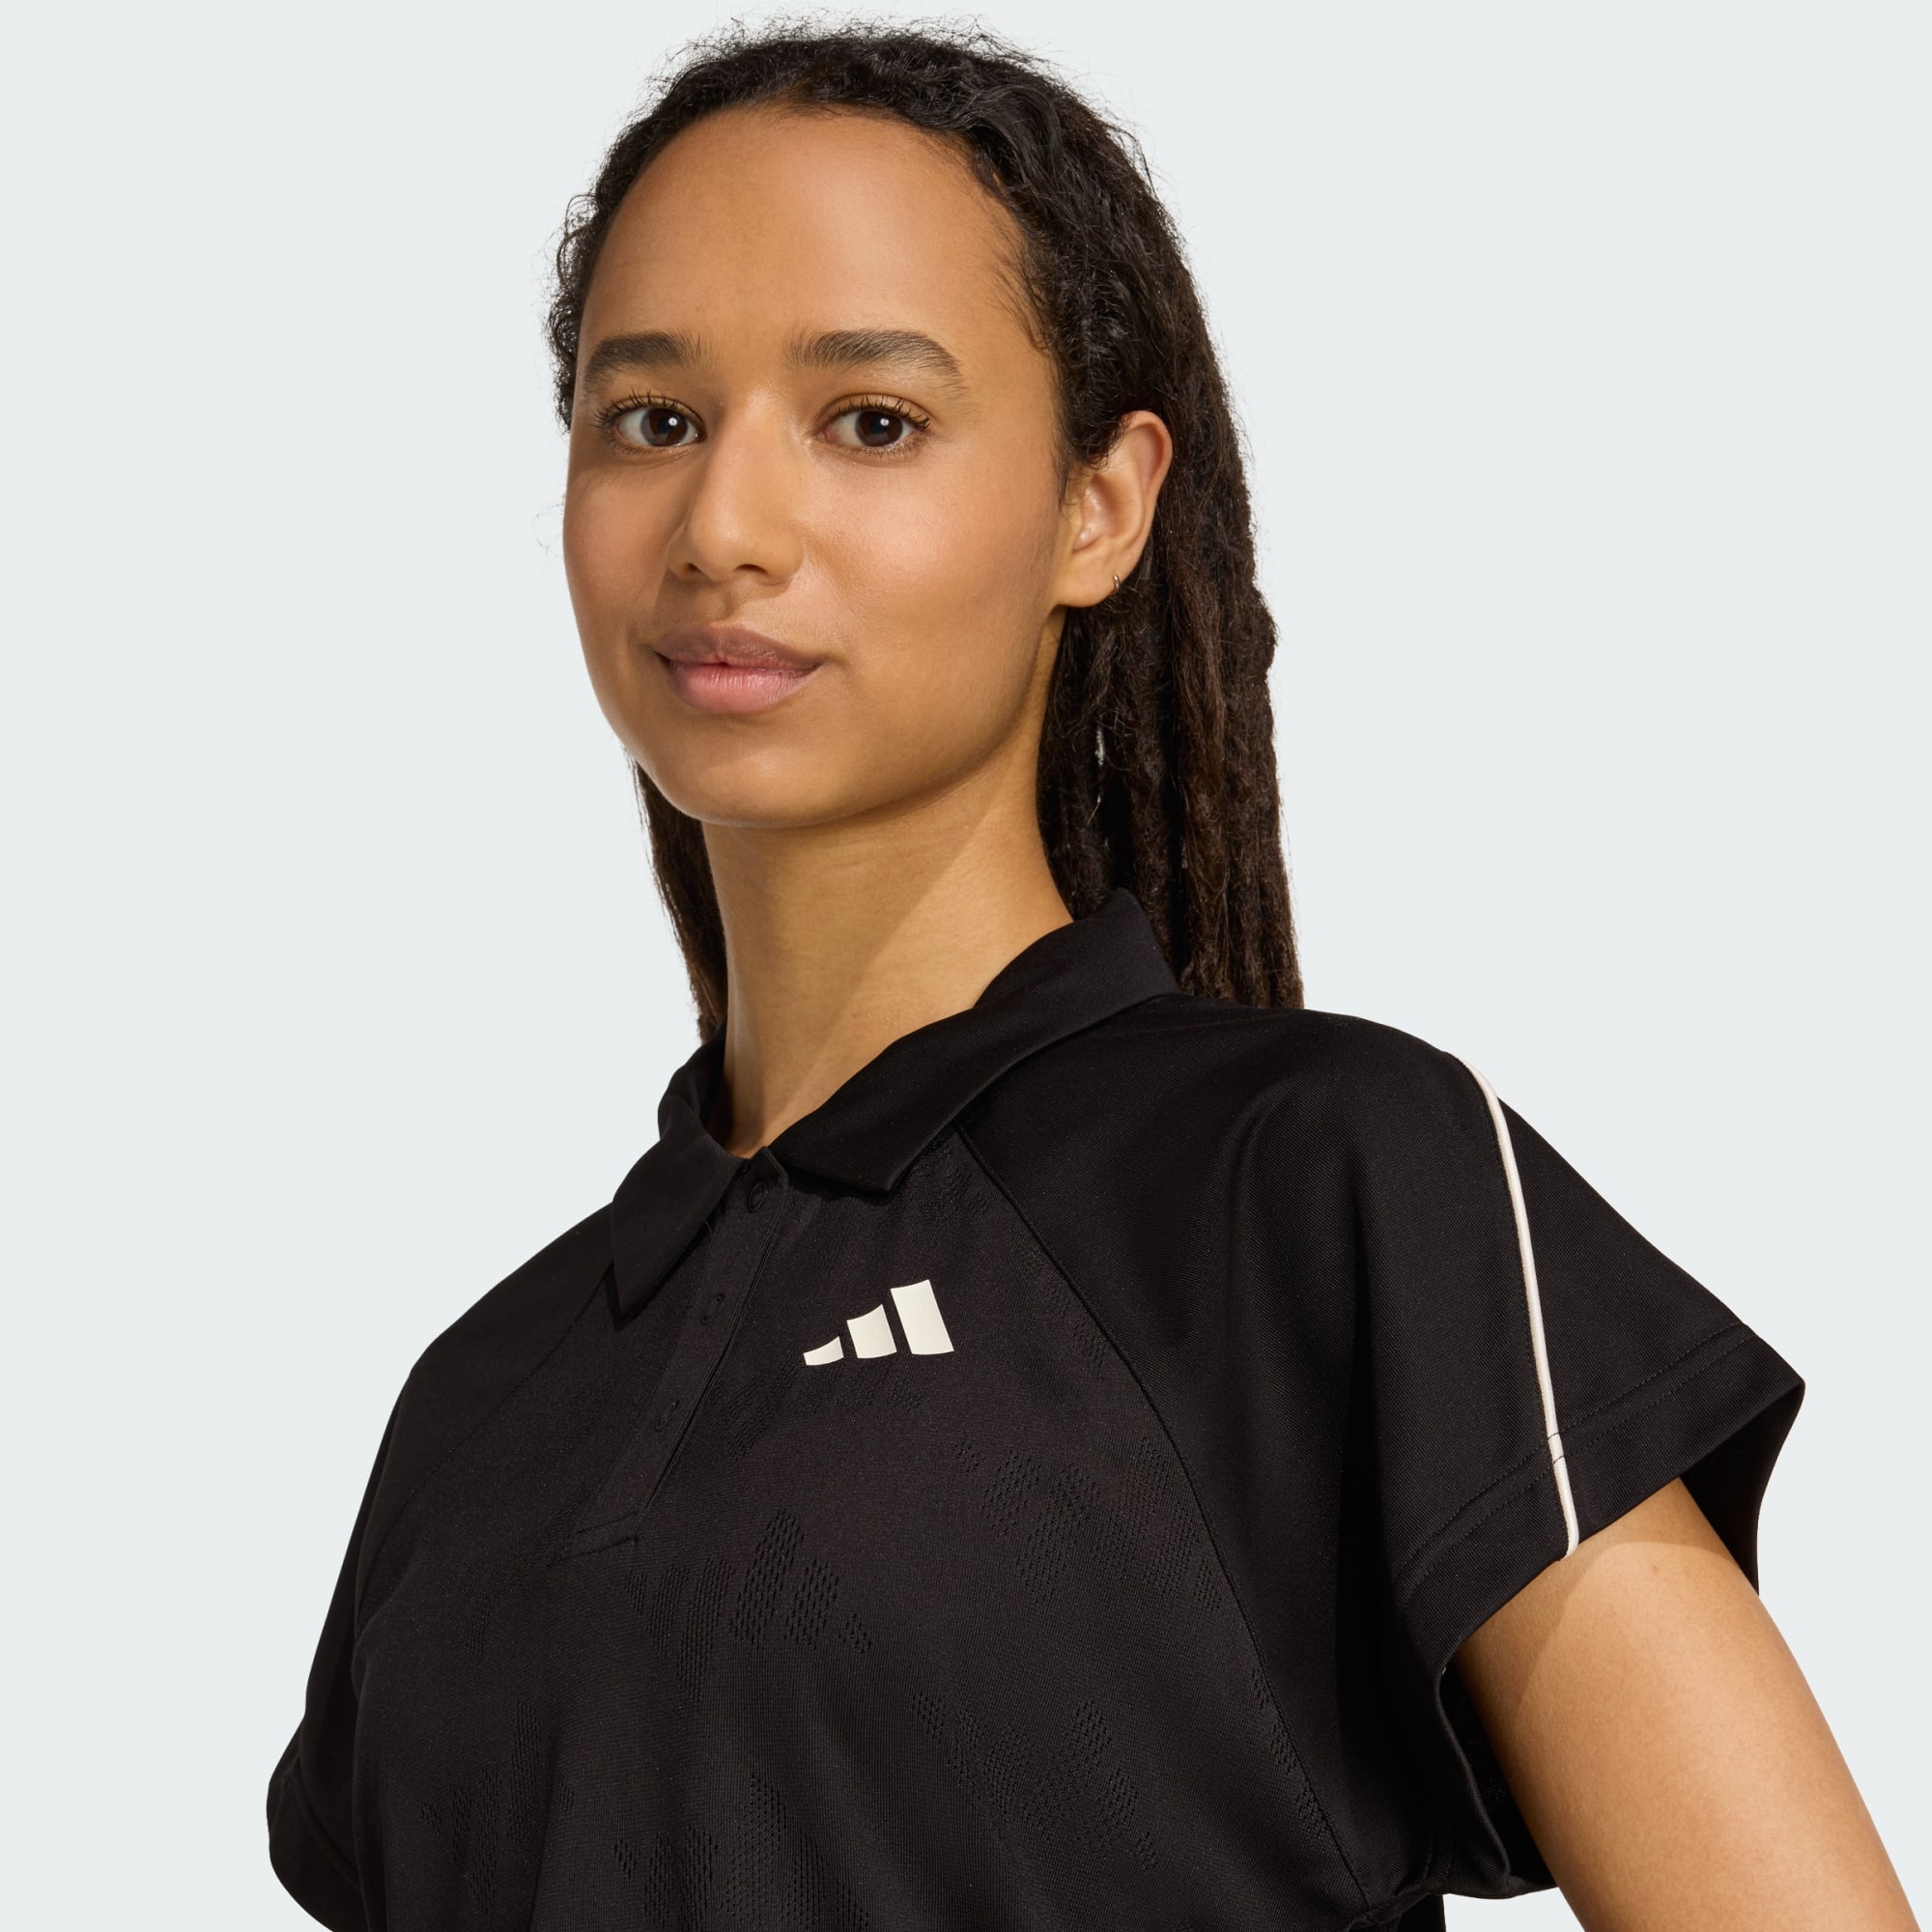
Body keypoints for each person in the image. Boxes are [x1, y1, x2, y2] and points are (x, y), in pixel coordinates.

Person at [266, 25, 1917, 1931]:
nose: (723, 529)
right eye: (651, 420)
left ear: (1098, 504)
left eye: (870, 421)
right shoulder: (481, 1403)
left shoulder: (1321, 1185)